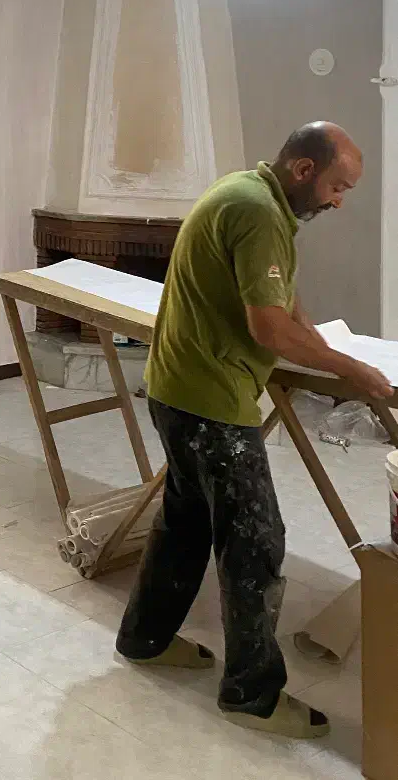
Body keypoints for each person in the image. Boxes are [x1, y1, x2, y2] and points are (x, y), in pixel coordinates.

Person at [115, 123, 394, 740]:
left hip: (177, 387)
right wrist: (352, 371)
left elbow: (282, 300)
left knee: (186, 521)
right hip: (210, 401)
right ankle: (251, 695)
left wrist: (324, 348)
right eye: (337, 187)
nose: (338, 201)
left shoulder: (250, 194)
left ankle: (145, 639)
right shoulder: (258, 211)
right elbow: (268, 326)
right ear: (303, 169)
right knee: (255, 543)